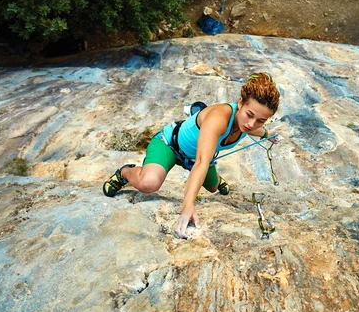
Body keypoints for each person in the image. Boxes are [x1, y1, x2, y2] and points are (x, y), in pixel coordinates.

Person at [103, 72, 282, 238]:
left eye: (260, 120)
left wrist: (267, 135)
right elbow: (202, 162)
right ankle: (125, 172)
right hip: (170, 145)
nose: (251, 124)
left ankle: (217, 180)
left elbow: (256, 130)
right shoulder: (219, 118)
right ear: (240, 102)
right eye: (249, 115)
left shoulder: (248, 124)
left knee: (213, 188)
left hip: (197, 157)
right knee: (149, 183)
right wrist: (188, 206)